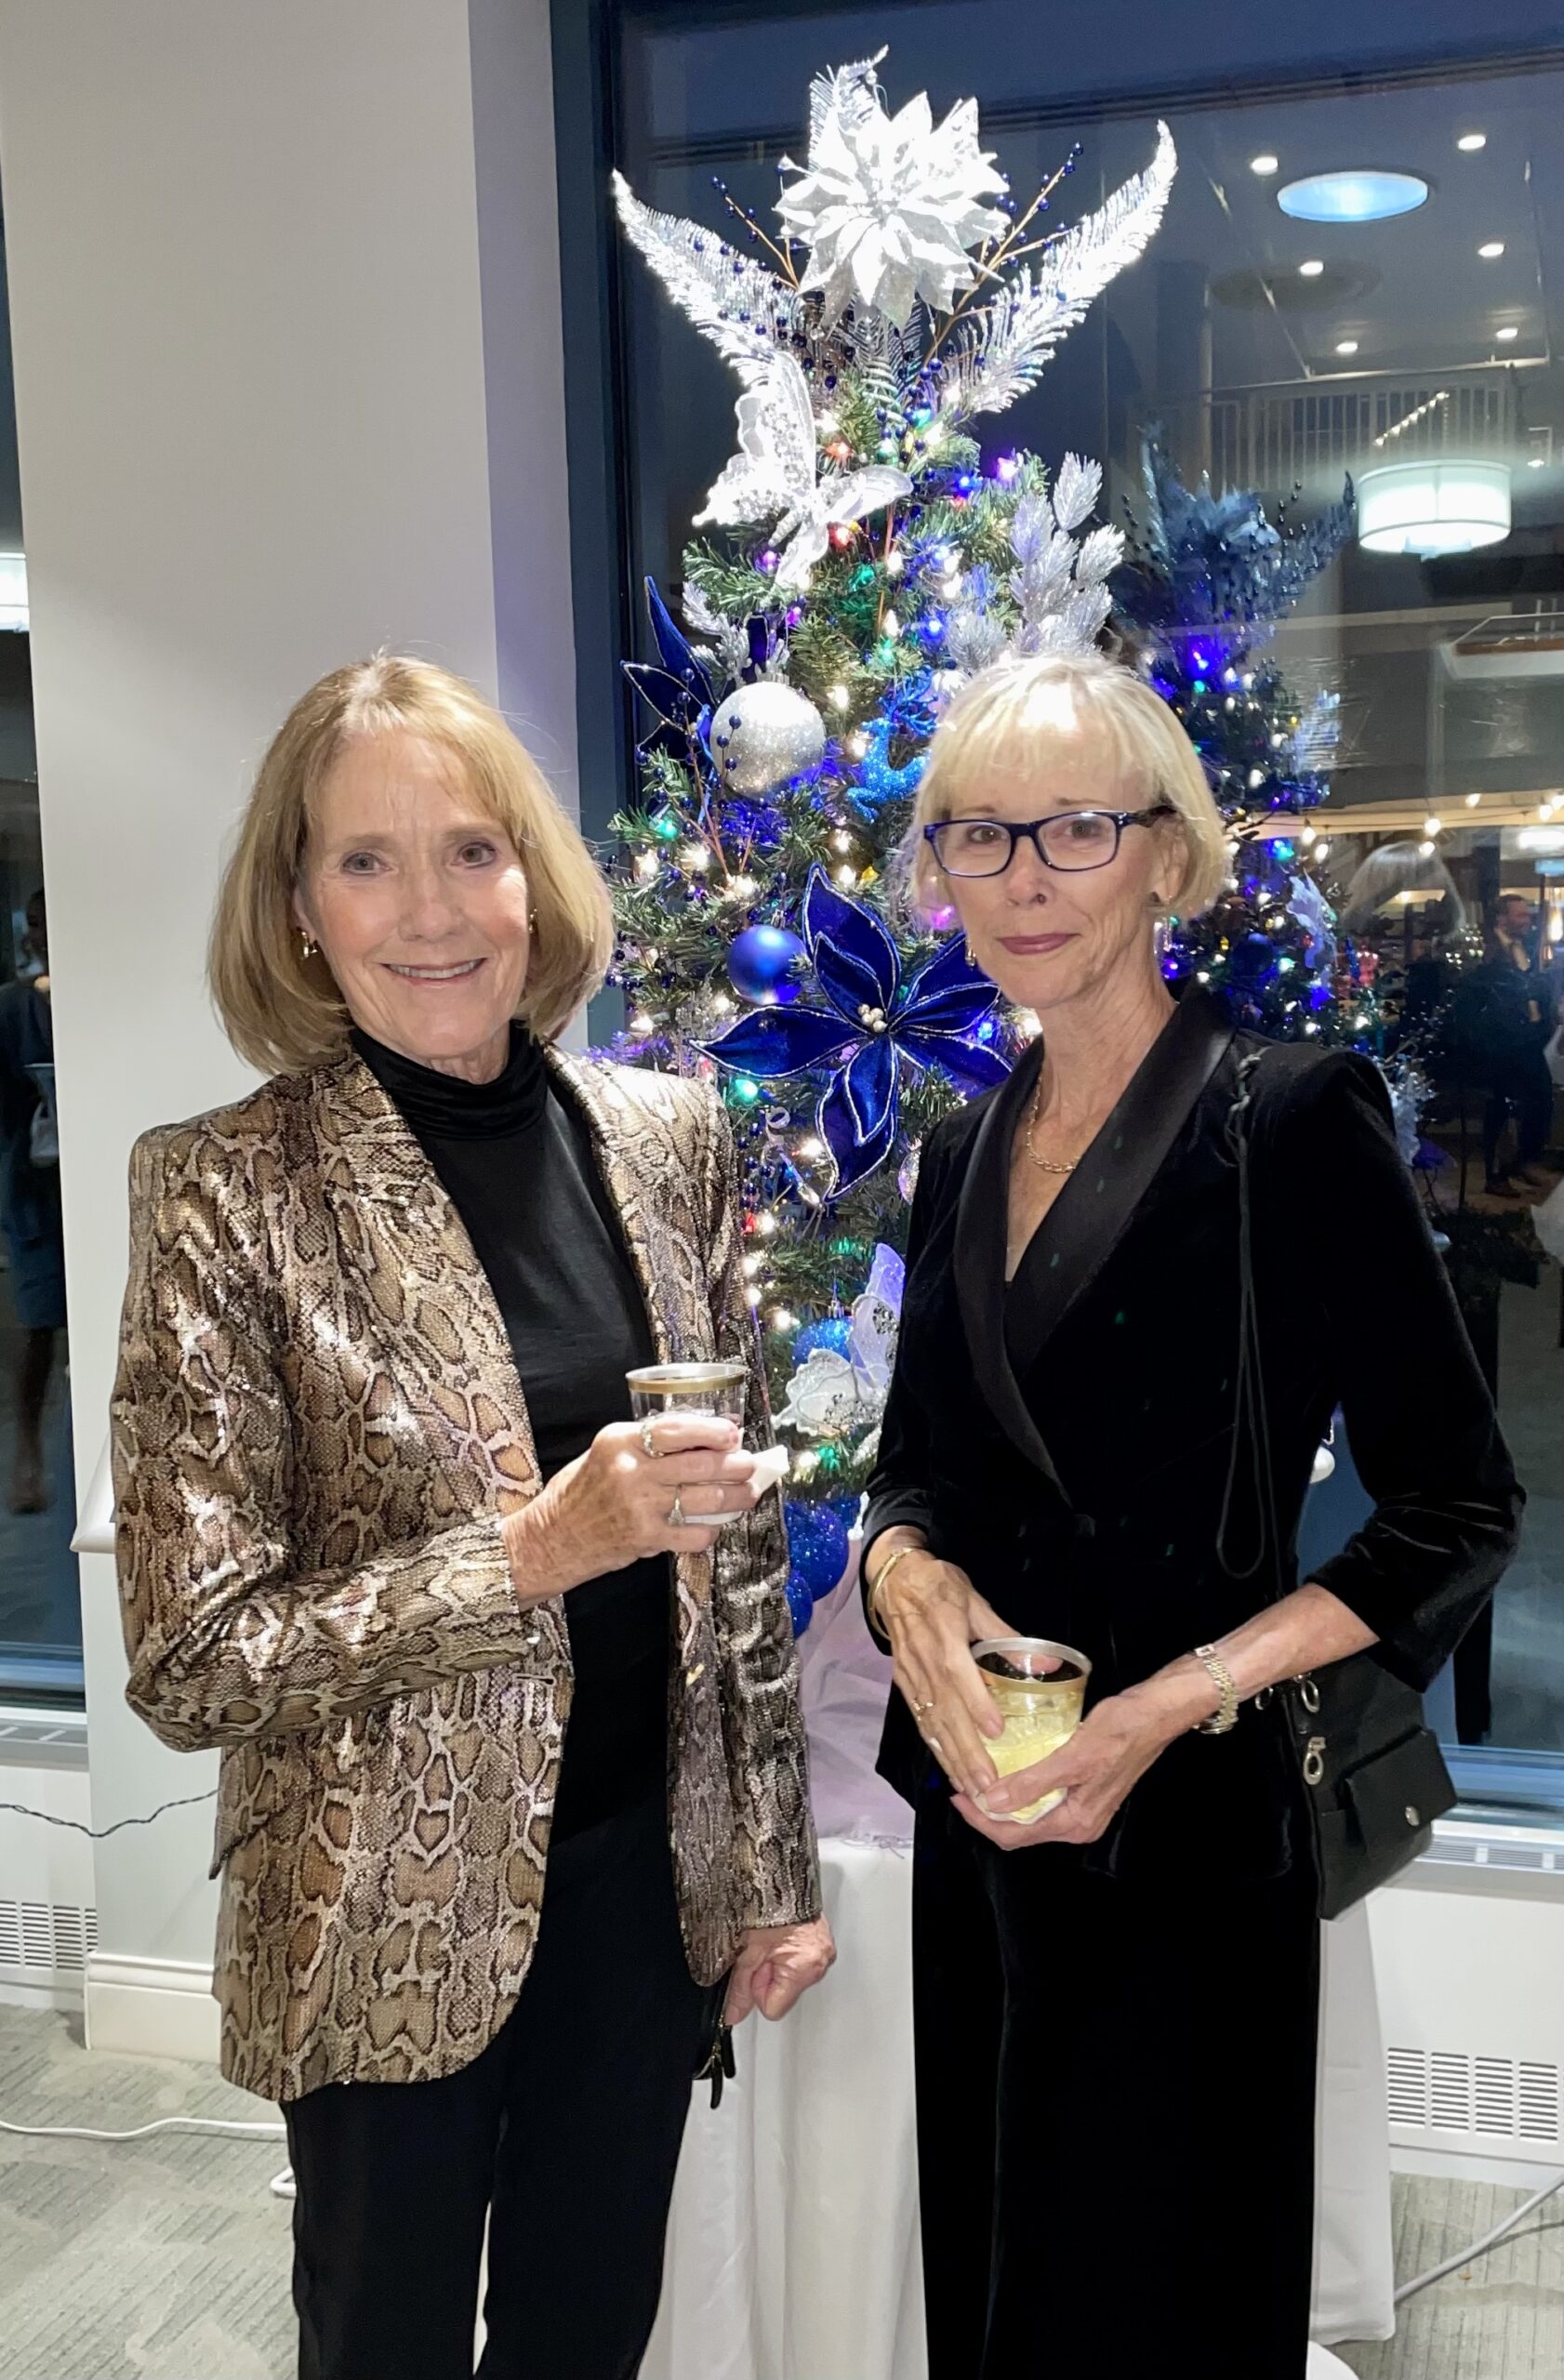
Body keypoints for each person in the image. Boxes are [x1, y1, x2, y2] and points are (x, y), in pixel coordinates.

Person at [112, 655, 831, 2380]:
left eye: (471, 851)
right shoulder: (224, 1187)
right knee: (387, 2349)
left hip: (635, 1900)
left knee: (592, 2335)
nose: (429, 911)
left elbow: (723, 1547)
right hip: (374, 1912)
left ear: (535, 877)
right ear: (295, 911)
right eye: (364, 862)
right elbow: (191, 1658)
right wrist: (527, 1555)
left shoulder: (665, 1137)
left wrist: (769, 1868)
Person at [860, 651, 1520, 2380]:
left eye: (1074, 829)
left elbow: (1453, 1506)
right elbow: (915, 1468)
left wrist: (1161, 1706)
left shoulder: (1290, 1120)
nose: (1020, 878)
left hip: (1185, 1815)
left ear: (1167, 852)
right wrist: (904, 1578)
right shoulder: (954, 1146)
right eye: (977, 836)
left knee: (1159, 2303)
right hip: (985, 1806)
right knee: (996, 2276)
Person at [0, 888, 65, 1513]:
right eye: (40, 924)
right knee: (38, 1323)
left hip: (94, 1175)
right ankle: (27, 1451)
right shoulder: (14, 1009)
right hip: (35, 1190)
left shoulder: (98, 996)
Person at [1478, 892, 1557, 1194]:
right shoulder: (1490, 952)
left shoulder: (1523, 948)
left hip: (1528, 1038)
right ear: (1502, 919)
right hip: (1504, 1040)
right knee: (1501, 1105)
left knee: (1539, 1098)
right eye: (1520, 915)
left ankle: (1523, 1161)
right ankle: (1497, 1173)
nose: (1527, 921)